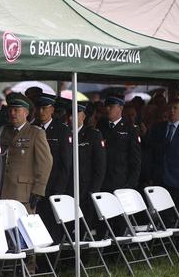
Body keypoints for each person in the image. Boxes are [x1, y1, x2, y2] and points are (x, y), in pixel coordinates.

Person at [0, 92, 52, 214]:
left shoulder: (36, 133)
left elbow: (45, 163)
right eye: (10, 110)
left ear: (26, 113)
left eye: (16, 110)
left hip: (24, 193)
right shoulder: (4, 131)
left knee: (23, 229)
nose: (12, 113)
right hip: (3, 190)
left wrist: (38, 190)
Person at [146, 99, 179, 224]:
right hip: (160, 178)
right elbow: (151, 153)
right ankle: (166, 243)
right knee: (163, 215)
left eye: (175, 108)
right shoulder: (158, 128)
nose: (172, 111)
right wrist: (150, 175)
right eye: (169, 108)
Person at [32, 94, 72, 241]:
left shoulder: (62, 130)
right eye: (39, 108)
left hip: (53, 185)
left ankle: (52, 262)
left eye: (45, 108)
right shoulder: (32, 128)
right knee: (37, 224)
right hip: (35, 186)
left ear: (52, 110)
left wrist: (59, 190)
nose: (41, 111)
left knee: (52, 225)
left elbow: (65, 163)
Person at [67, 103, 106, 236]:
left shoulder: (93, 135)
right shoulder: (65, 133)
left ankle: (83, 256)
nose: (71, 118)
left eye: (75, 114)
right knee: (67, 227)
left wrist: (93, 190)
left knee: (84, 228)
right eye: (70, 115)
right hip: (67, 189)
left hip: (86, 189)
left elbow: (100, 166)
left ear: (83, 116)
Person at [98, 95, 141, 192]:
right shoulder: (101, 125)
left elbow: (136, 160)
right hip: (103, 180)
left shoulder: (130, 128)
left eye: (111, 106)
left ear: (120, 108)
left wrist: (130, 184)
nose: (108, 109)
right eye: (107, 106)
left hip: (120, 181)